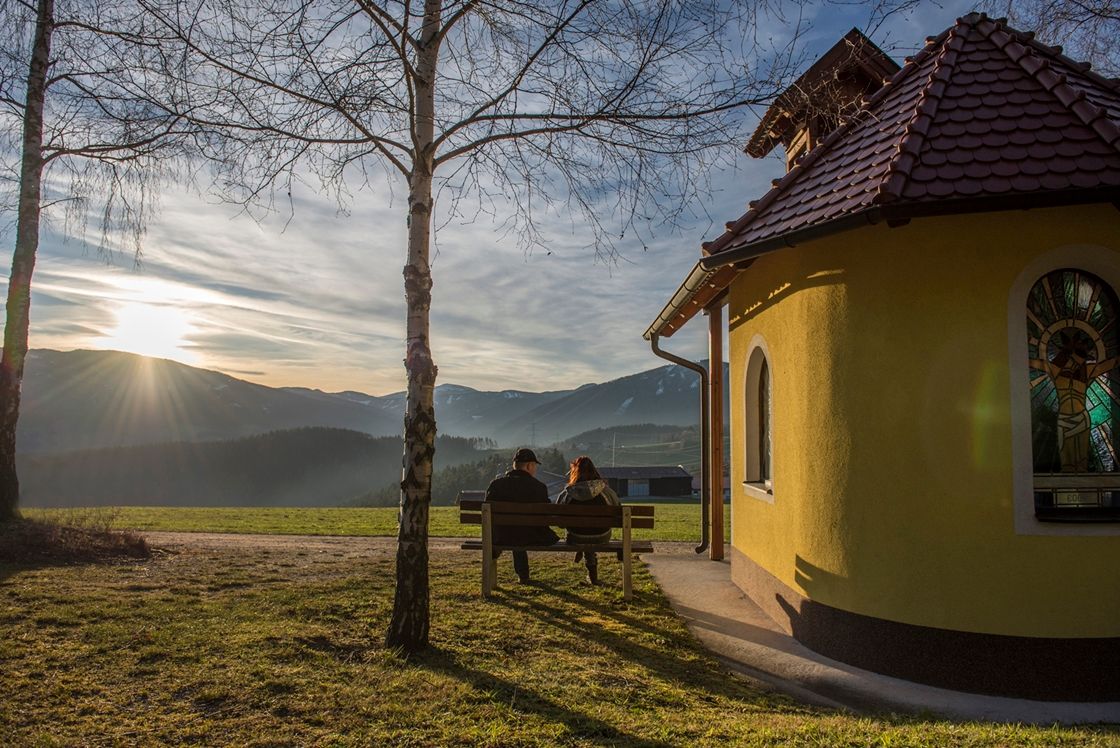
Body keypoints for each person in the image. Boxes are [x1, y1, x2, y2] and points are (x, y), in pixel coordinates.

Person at [484, 447, 558, 583]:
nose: (535, 469)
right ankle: (523, 576)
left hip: (502, 536)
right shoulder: (539, 487)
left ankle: (520, 574)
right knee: (521, 531)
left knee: (514, 530)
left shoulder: (496, 485)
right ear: (529, 465)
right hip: (532, 537)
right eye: (534, 466)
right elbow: (546, 516)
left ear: (515, 465)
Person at [554, 455, 620, 586]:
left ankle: (586, 562)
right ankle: (593, 577)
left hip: (576, 536)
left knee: (583, 534)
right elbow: (618, 515)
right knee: (590, 532)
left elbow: (560, 524)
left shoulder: (567, 493)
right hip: (602, 536)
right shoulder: (606, 491)